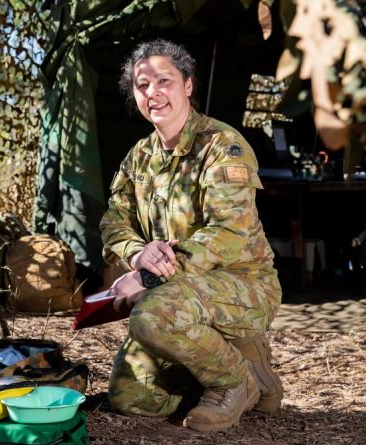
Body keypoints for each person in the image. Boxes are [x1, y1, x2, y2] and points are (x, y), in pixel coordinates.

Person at [99, 39, 283, 432]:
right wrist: (137, 256)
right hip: (180, 292)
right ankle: (228, 363)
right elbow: (114, 222)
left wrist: (150, 276)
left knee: (151, 315)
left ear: (187, 85)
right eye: (142, 85)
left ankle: (236, 381)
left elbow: (230, 232)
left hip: (241, 287)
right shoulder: (139, 157)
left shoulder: (222, 146)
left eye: (163, 80)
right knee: (131, 400)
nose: (153, 93)